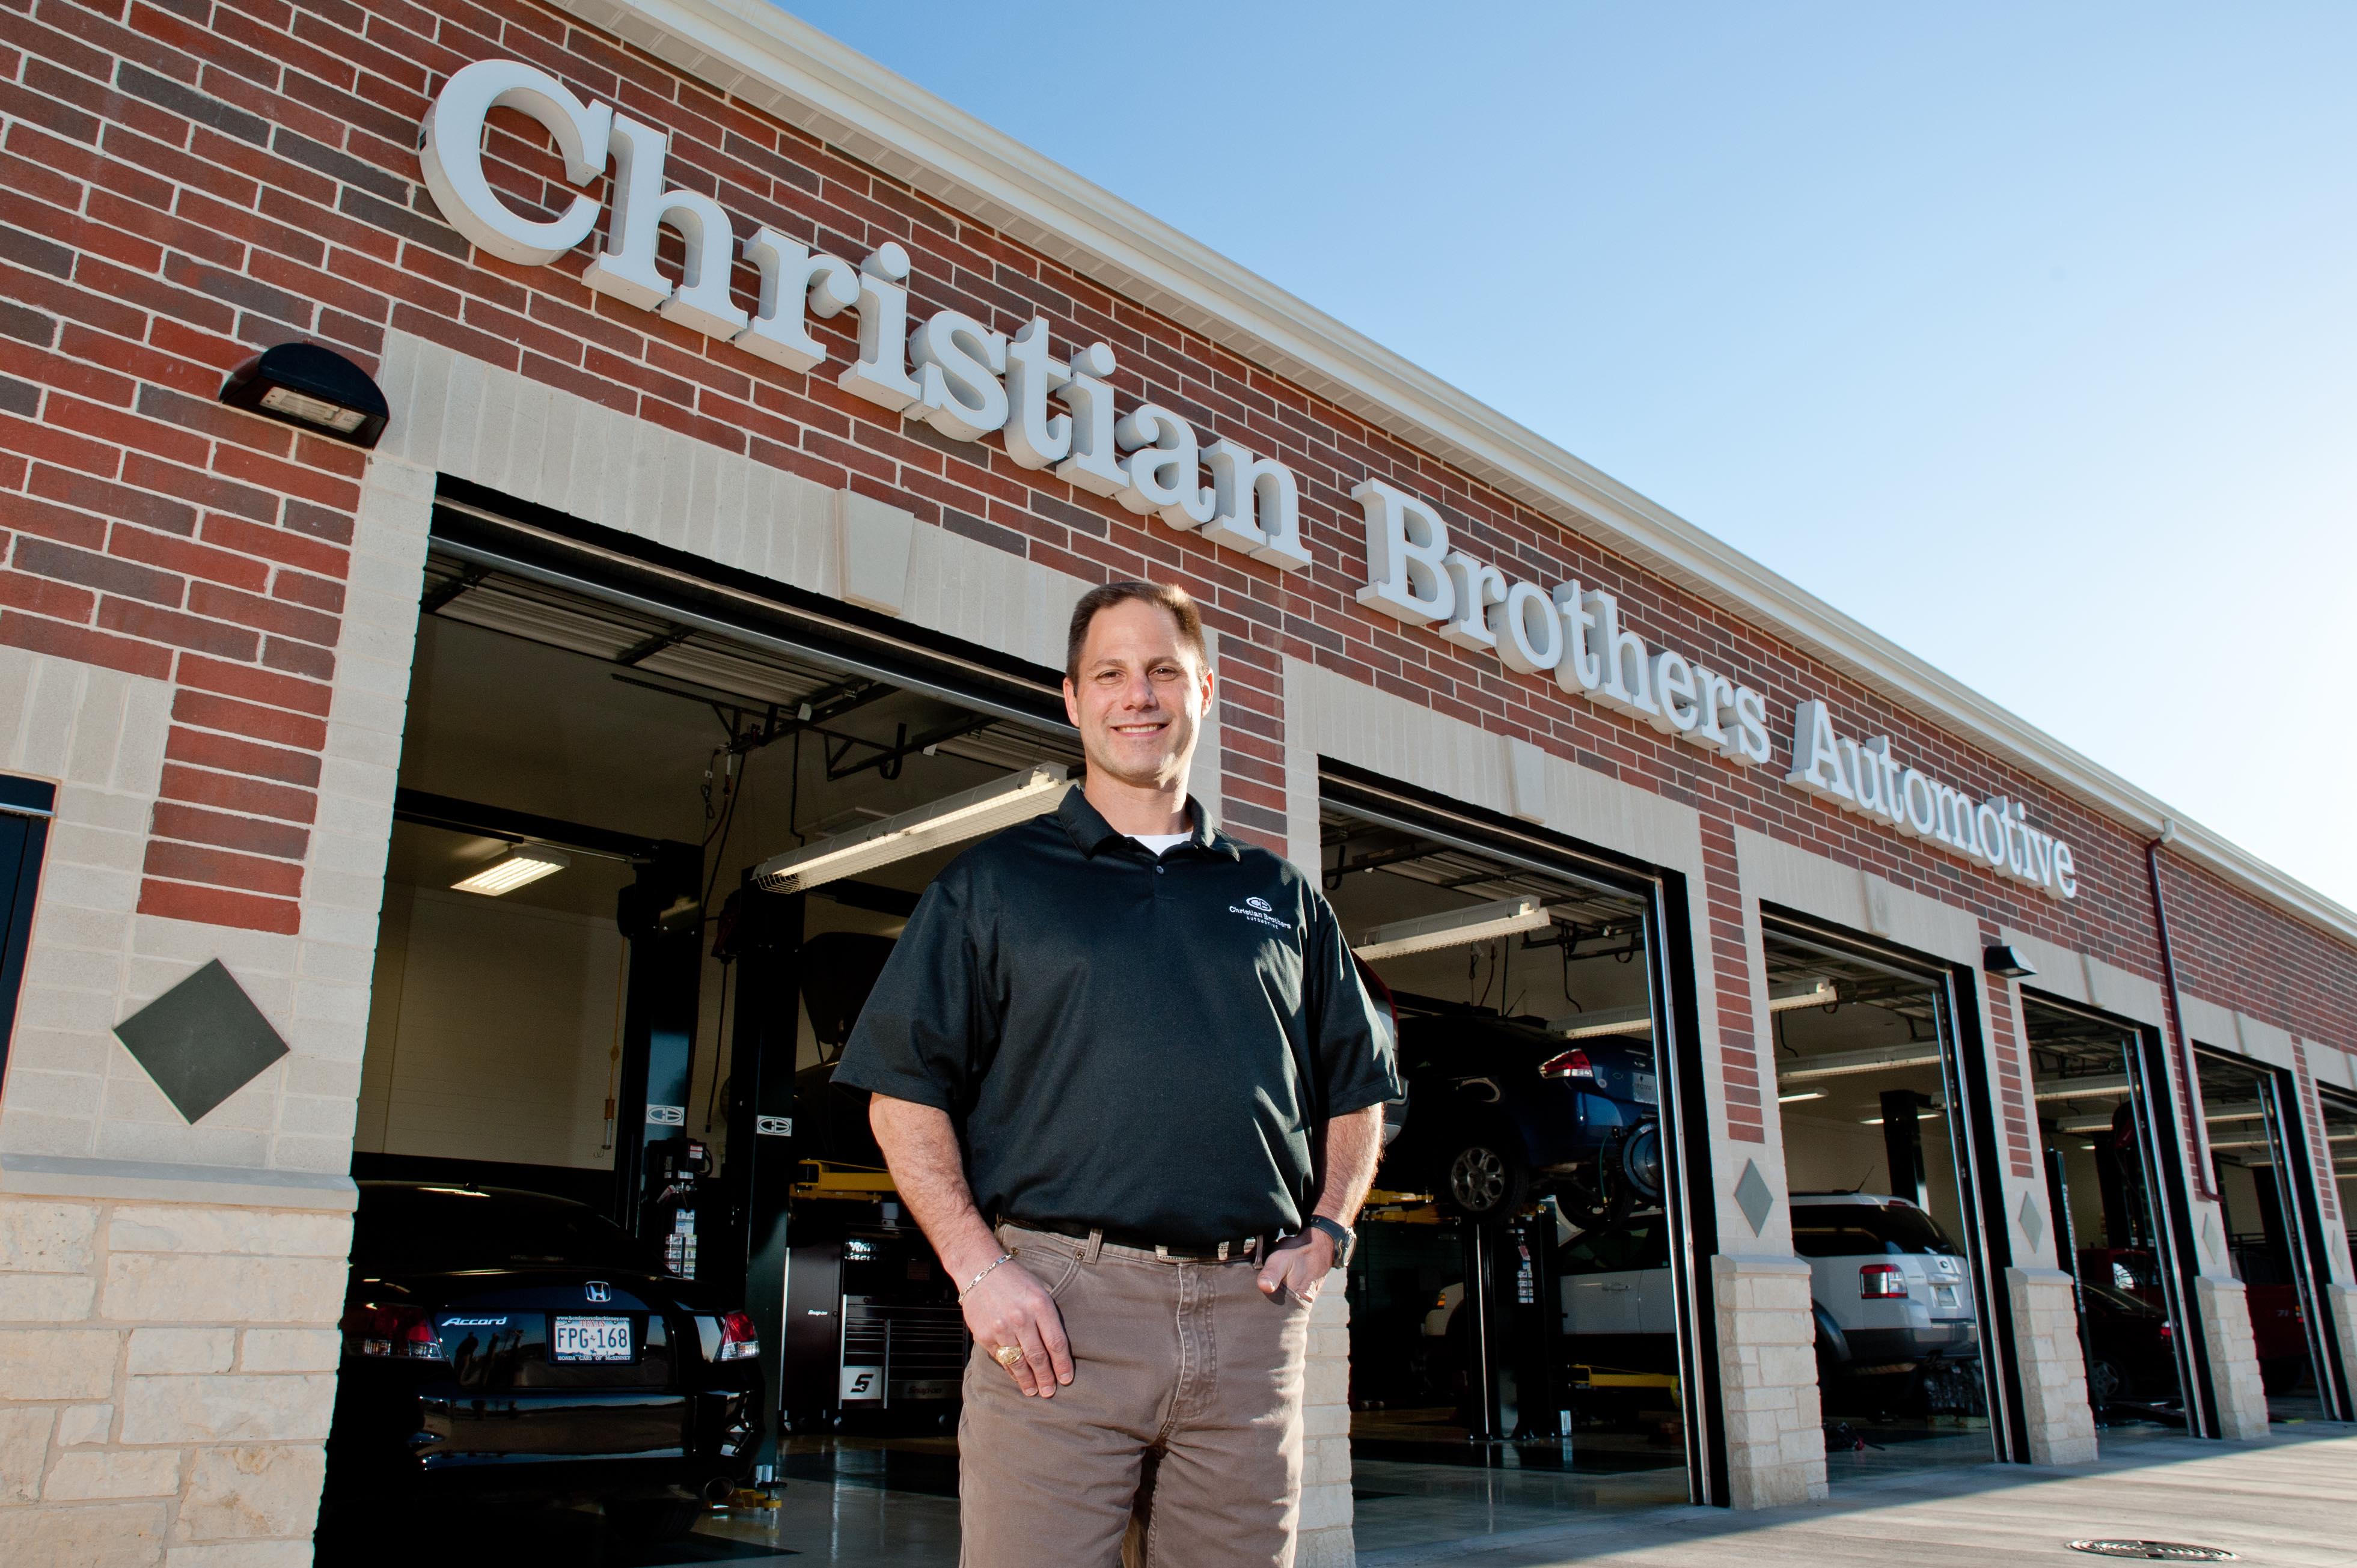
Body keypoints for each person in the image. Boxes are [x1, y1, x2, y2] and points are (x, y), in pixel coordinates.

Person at [833, 579, 1398, 1567]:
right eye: (1111, 674)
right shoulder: (993, 884)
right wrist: (981, 1270)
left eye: (1162, 672)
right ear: (1071, 698)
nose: (1137, 695)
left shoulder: (1277, 896)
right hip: (1057, 1317)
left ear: (1205, 691)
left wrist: (1330, 1231)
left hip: (1246, 1320)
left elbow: (1358, 1086)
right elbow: (901, 1091)